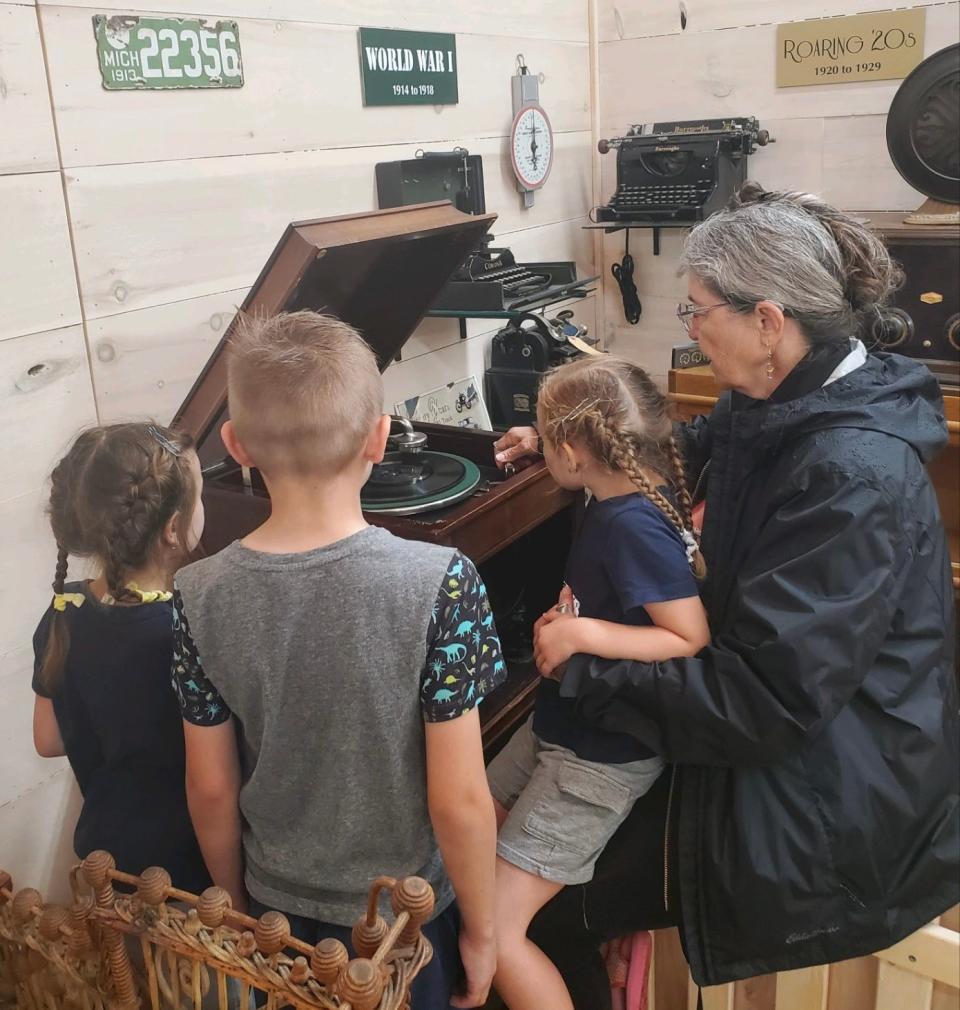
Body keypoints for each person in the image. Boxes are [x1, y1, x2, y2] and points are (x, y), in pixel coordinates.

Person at [493, 184, 960, 1007]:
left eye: (698, 309)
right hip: (766, 713)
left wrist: (583, 666)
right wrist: (573, 445)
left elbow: (762, 704)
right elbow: (693, 445)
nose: (693, 327)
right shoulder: (782, 393)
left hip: (828, 791)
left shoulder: (853, 473)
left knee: (545, 909)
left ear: (769, 320)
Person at [170, 311, 504, 1010]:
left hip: (277, 918)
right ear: (381, 440)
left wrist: (234, 906)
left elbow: (208, 786)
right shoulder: (444, 580)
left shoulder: (196, 594)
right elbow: (460, 800)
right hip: (405, 925)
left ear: (236, 446)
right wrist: (483, 928)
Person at [486, 356, 710, 1010]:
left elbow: (687, 634)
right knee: (464, 839)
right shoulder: (615, 487)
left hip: (600, 759)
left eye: (543, 431)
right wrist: (540, 440)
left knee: (498, 931)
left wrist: (584, 634)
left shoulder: (634, 523)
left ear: (573, 450)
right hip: (566, 723)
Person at [31, 422, 210, 893]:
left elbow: (48, 739)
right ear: (173, 529)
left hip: (105, 860)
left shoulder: (62, 610)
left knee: (128, 967)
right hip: (187, 869)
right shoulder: (187, 627)